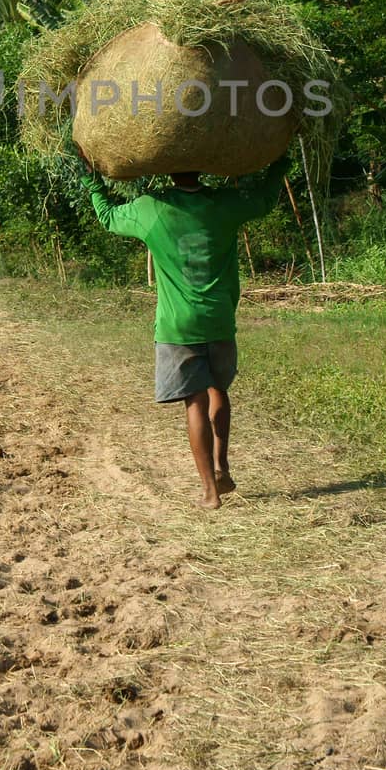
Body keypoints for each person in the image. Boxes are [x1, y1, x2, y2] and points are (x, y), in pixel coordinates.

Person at [80, 149, 290, 509]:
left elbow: (108, 216)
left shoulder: (151, 209)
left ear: (165, 168)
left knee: (195, 400)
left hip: (178, 326)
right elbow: (265, 198)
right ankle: (222, 466)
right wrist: (281, 160)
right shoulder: (223, 205)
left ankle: (209, 491)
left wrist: (90, 178)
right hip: (220, 318)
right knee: (218, 388)